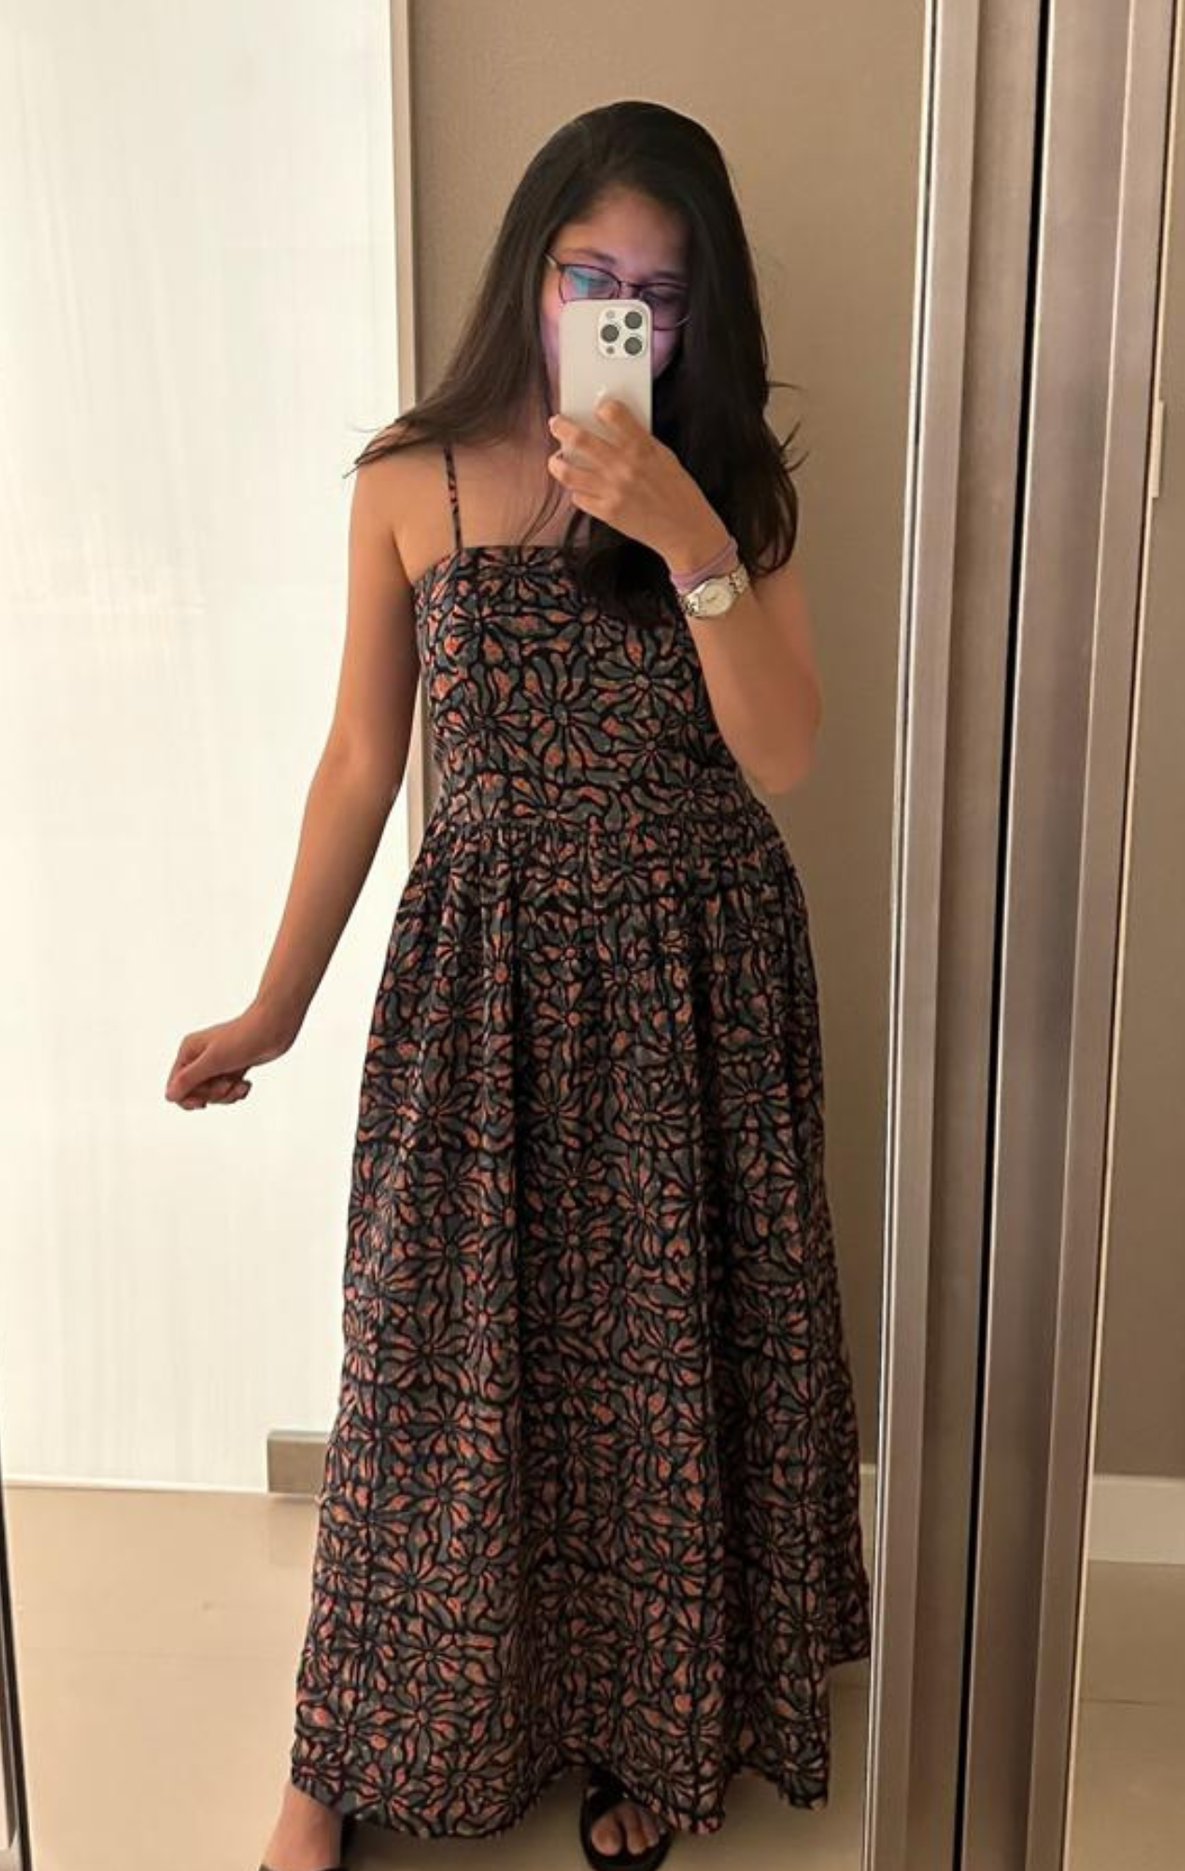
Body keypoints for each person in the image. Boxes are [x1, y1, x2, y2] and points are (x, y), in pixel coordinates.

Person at [165, 100, 872, 1868]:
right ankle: (323, 1775)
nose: (620, 307)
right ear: (531, 270)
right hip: (483, 990)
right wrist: (277, 1003)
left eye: (659, 286)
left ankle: (657, 1731)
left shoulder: (734, 491)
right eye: (590, 273)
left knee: (664, 1383)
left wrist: (685, 530)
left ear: (697, 316)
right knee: (429, 1374)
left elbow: (784, 752)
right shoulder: (415, 479)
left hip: (697, 980)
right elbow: (355, 762)